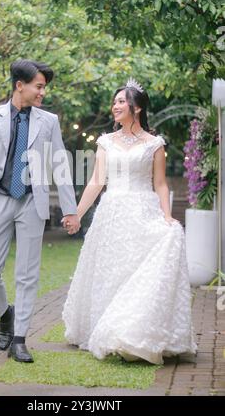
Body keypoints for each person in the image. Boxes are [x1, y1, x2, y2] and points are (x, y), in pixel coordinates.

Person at [62, 78, 197, 365]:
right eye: (114, 102)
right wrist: (77, 213)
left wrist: (167, 215)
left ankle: (133, 332)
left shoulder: (155, 144)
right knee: (111, 271)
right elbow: (97, 181)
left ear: (136, 108)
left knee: (139, 271)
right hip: (111, 214)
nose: (115, 106)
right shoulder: (105, 142)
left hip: (142, 210)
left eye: (121, 101)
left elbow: (160, 184)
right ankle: (104, 328)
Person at [0, 59, 80, 363]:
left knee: (27, 275)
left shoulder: (49, 121)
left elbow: (60, 164)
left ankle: (19, 339)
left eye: (44, 87)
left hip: (32, 201)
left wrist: (70, 209)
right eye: (38, 86)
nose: (43, 92)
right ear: (20, 85)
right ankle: (6, 313)